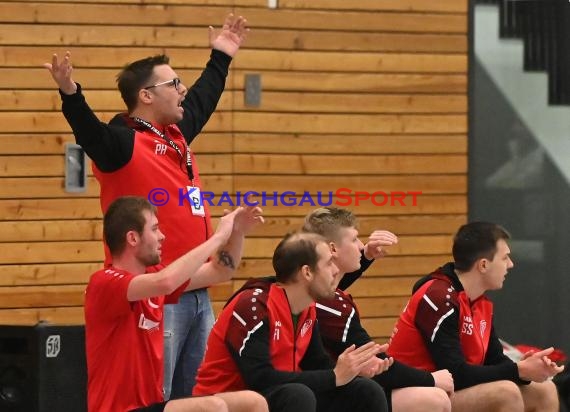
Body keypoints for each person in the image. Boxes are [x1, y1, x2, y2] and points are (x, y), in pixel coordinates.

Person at [43, 14, 249, 400]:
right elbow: (88, 132)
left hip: (199, 290)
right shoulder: (120, 143)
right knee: (160, 398)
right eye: (173, 83)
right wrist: (71, 94)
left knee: (200, 399)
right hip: (155, 298)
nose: (183, 89)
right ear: (146, 95)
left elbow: (203, 98)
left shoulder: (175, 136)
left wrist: (221, 56)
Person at [84, 196, 267, 412]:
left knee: (253, 402)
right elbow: (166, 282)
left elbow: (220, 271)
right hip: (120, 409)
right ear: (133, 238)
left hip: (152, 406)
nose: (162, 236)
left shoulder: (152, 279)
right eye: (154, 229)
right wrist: (217, 237)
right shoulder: (104, 282)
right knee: (212, 407)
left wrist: (236, 233)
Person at [193, 232, 391, 412]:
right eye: (329, 263)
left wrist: (353, 369)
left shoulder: (306, 306)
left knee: (364, 390)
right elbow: (260, 378)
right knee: (297, 395)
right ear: (307, 272)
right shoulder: (253, 306)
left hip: (279, 395)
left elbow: (317, 362)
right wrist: (334, 376)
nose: (335, 270)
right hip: (225, 401)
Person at [387, 221, 564, 411]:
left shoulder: (479, 302)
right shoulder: (438, 298)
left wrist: (528, 369)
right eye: (505, 258)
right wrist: (518, 370)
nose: (511, 265)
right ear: (484, 265)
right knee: (505, 393)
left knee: (545, 390)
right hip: (419, 394)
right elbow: (455, 374)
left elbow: (495, 360)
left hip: (451, 389)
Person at [302, 207, 453, 412]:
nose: (361, 245)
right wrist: (432, 378)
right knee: (434, 398)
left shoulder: (320, 293)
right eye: (355, 240)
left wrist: (366, 256)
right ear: (333, 249)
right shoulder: (331, 304)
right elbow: (379, 367)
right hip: (320, 395)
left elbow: (335, 285)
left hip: (325, 389)